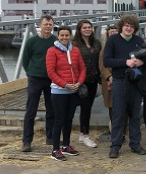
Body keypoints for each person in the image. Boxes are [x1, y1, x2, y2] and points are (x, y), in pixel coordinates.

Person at [102, 14, 146, 158]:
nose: (129, 28)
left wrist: (142, 62)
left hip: (135, 81)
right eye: (126, 25)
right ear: (122, 26)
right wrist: (125, 62)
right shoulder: (113, 40)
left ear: (135, 28)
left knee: (134, 114)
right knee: (118, 114)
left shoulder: (139, 41)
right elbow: (107, 61)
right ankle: (115, 145)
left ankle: (135, 144)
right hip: (120, 80)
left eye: (132, 26)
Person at [46, 26, 86, 161]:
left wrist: (79, 83)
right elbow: (51, 72)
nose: (64, 38)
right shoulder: (52, 51)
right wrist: (64, 84)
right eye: (62, 35)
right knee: (59, 120)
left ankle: (66, 145)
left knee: (69, 119)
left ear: (70, 36)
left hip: (73, 90)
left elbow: (82, 68)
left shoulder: (75, 50)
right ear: (58, 36)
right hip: (59, 91)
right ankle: (55, 149)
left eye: (67, 35)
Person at [21, 15, 57, 152]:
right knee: (31, 110)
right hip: (35, 78)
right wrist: (30, 72)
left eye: (50, 25)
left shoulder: (55, 41)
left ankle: (50, 136)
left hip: (51, 79)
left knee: (51, 109)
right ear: (40, 25)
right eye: (45, 24)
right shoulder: (32, 41)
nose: (48, 27)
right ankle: (27, 141)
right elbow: (26, 59)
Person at [73, 20, 102, 148]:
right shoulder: (74, 44)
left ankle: (83, 133)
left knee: (88, 107)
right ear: (79, 29)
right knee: (84, 107)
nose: (87, 29)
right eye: (84, 27)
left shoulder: (96, 43)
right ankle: (84, 135)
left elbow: (100, 60)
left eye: (89, 27)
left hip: (93, 79)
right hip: (81, 81)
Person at [99, 24, 118, 133]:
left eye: (115, 31)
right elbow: (102, 65)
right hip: (109, 80)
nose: (113, 34)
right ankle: (114, 130)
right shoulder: (105, 48)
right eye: (111, 32)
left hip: (121, 77)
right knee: (111, 105)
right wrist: (109, 76)